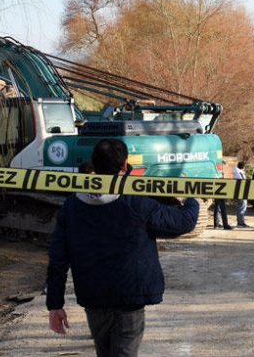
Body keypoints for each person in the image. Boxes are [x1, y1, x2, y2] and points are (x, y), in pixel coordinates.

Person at [46, 139, 199, 357]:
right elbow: (183, 222)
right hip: (130, 298)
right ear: (125, 166)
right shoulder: (136, 203)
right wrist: (191, 197)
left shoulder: (72, 206)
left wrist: (55, 304)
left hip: (94, 298)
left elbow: (58, 259)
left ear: (94, 165)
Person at [232, 161, 250, 228]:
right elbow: (242, 181)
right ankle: (240, 222)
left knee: (241, 207)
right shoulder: (239, 173)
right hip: (241, 192)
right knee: (242, 207)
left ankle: (241, 222)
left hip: (240, 192)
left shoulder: (237, 172)